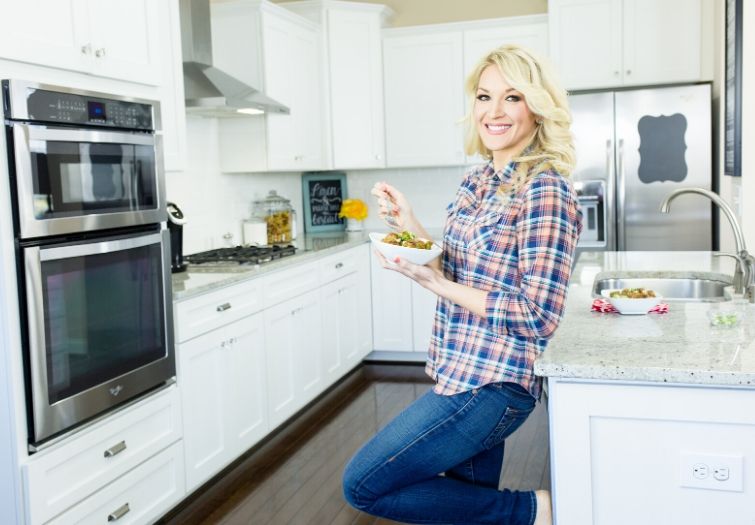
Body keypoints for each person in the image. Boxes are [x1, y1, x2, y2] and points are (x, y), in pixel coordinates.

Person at [342, 44, 583, 525]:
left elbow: (538, 316)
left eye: (512, 98)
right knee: (465, 508)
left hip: (493, 384)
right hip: (458, 365)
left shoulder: (546, 190)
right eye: (484, 96)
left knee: (363, 485)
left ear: (537, 108)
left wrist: (435, 284)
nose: (493, 112)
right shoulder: (479, 180)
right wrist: (410, 226)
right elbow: (460, 267)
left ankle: (535, 511)